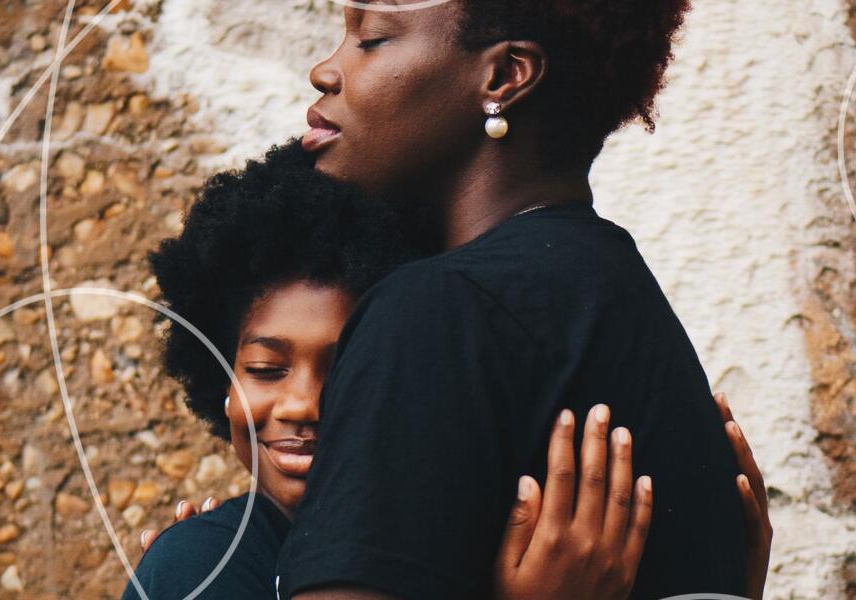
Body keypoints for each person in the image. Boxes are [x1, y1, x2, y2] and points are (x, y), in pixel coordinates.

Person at [124, 141, 768, 599]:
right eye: (266, 368)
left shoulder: (508, 549)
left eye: (351, 367)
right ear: (220, 385)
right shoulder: (199, 568)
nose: (303, 404)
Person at [280, 0, 767, 597]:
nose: (326, 71)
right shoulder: (621, 299)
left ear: (505, 77)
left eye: (373, 39)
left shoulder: (437, 312)